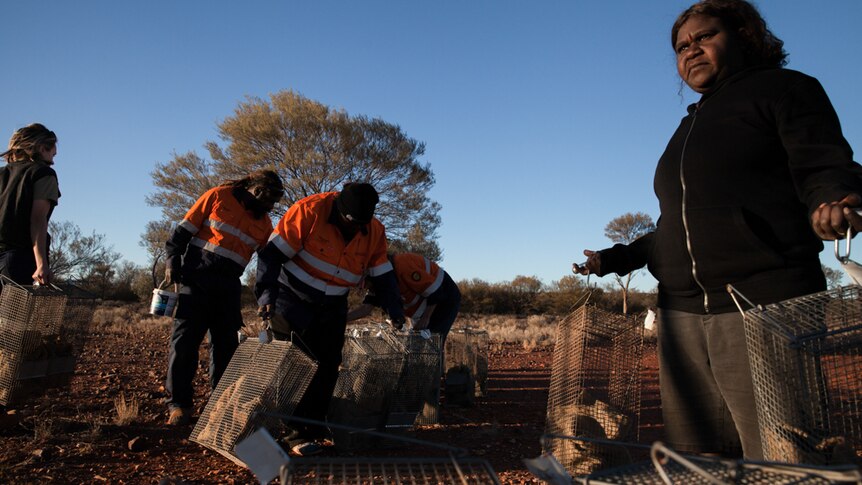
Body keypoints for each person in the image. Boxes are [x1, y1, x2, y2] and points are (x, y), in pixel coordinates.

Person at [573, 0, 862, 460]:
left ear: (745, 37)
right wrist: (615, 259)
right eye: (681, 46)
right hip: (682, 317)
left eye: (704, 37)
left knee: (786, 459)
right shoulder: (687, 127)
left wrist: (832, 198)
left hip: (763, 306)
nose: (691, 50)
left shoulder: (785, 90)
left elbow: (823, 163)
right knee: (699, 462)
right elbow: (676, 226)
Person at [255, 182, 405, 456]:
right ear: (338, 208)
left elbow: (382, 274)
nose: (353, 229)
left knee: (326, 365)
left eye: (360, 224)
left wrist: (395, 309)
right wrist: (266, 295)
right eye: (349, 222)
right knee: (296, 364)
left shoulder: (374, 231)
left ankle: (312, 429)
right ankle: (293, 435)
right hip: (292, 297)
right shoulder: (308, 211)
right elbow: (271, 255)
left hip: (333, 302)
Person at [163, 169, 283, 426]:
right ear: (257, 191)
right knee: (184, 344)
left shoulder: (264, 225)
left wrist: (266, 298)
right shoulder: (218, 196)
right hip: (196, 280)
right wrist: (172, 260)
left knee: (226, 348)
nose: (271, 207)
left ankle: (219, 407)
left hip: (228, 288)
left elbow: (267, 267)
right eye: (270, 200)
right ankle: (179, 405)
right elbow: (181, 233)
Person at [348, 252, 461, 345]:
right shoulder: (379, 282)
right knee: (416, 345)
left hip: (445, 298)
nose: (366, 289)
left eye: (365, 284)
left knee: (432, 343)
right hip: (424, 309)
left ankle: (437, 371)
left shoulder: (402, 264)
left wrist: (426, 318)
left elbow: (435, 292)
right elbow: (366, 308)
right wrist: (340, 320)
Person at [0, 124, 60, 286]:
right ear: (42, 148)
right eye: (52, 156)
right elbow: (38, 219)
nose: (53, 161)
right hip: (17, 260)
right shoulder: (43, 173)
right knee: (15, 312)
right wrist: (41, 264)